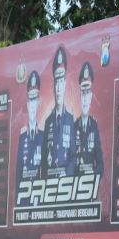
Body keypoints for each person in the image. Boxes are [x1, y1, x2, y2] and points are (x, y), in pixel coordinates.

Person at [43, 46, 76, 178]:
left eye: (61, 81)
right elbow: (44, 161)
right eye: (56, 81)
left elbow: (74, 156)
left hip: (66, 183)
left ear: (65, 83)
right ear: (53, 84)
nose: (58, 88)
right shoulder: (48, 122)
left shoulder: (71, 118)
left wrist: (67, 176)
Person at [74, 61, 103, 178]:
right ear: (79, 96)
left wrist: (93, 175)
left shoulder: (94, 126)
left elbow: (100, 164)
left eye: (87, 93)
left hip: (90, 184)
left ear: (91, 96)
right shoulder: (73, 126)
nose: (85, 98)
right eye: (83, 93)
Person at [15, 70, 44, 188]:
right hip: (24, 193)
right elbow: (19, 169)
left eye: (34, 100)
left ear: (39, 103)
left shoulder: (43, 134)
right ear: (27, 104)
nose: (32, 106)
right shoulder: (22, 136)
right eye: (30, 101)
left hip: (39, 191)